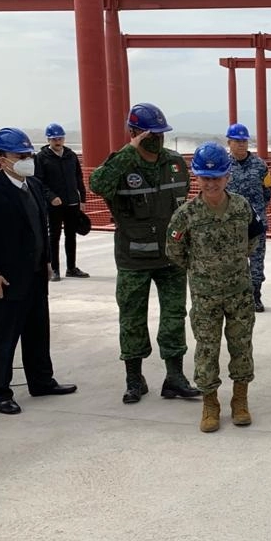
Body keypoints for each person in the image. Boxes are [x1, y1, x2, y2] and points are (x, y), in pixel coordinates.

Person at [89, 102, 200, 404]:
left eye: (162, 133)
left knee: (174, 317)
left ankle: (174, 377)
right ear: (136, 133)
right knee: (132, 318)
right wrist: (128, 152)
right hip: (133, 259)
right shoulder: (121, 165)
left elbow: (182, 208)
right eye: (153, 133)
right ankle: (134, 379)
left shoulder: (175, 163)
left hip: (171, 259)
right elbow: (96, 185)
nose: (159, 139)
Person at [0, 128, 77, 414]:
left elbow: (42, 227)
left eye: (29, 155)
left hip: (36, 275)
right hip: (4, 279)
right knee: (3, 338)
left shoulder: (35, 186)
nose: (27, 160)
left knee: (38, 332)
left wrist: (48, 261)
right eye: (20, 156)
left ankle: (41, 381)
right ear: (2, 159)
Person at [167, 142, 264, 433]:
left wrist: (233, 262)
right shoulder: (186, 214)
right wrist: (201, 270)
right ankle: (210, 404)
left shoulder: (241, 206)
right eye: (205, 178)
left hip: (239, 293)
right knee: (207, 350)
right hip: (205, 295)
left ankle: (240, 400)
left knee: (241, 347)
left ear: (227, 176)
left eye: (217, 177)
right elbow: (174, 250)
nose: (211, 183)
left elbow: (254, 238)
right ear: (197, 178)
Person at [225, 123, 271, 313]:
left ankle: (256, 296)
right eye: (237, 141)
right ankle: (236, 297)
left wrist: (257, 211)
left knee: (257, 261)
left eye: (244, 141)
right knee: (234, 262)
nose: (241, 145)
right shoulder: (224, 166)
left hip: (256, 223)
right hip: (231, 224)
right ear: (229, 142)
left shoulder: (260, 165)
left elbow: (267, 192)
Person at [35, 122, 89, 281]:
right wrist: (51, 197)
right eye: (54, 139)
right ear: (49, 140)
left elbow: (78, 177)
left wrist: (82, 198)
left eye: (60, 138)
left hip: (72, 202)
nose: (58, 142)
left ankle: (71, 268)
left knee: (71, 235)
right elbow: (39, 181)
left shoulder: (71, 155)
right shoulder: (42, 157)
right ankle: (55, 269)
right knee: (54, 236)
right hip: (54, 205)